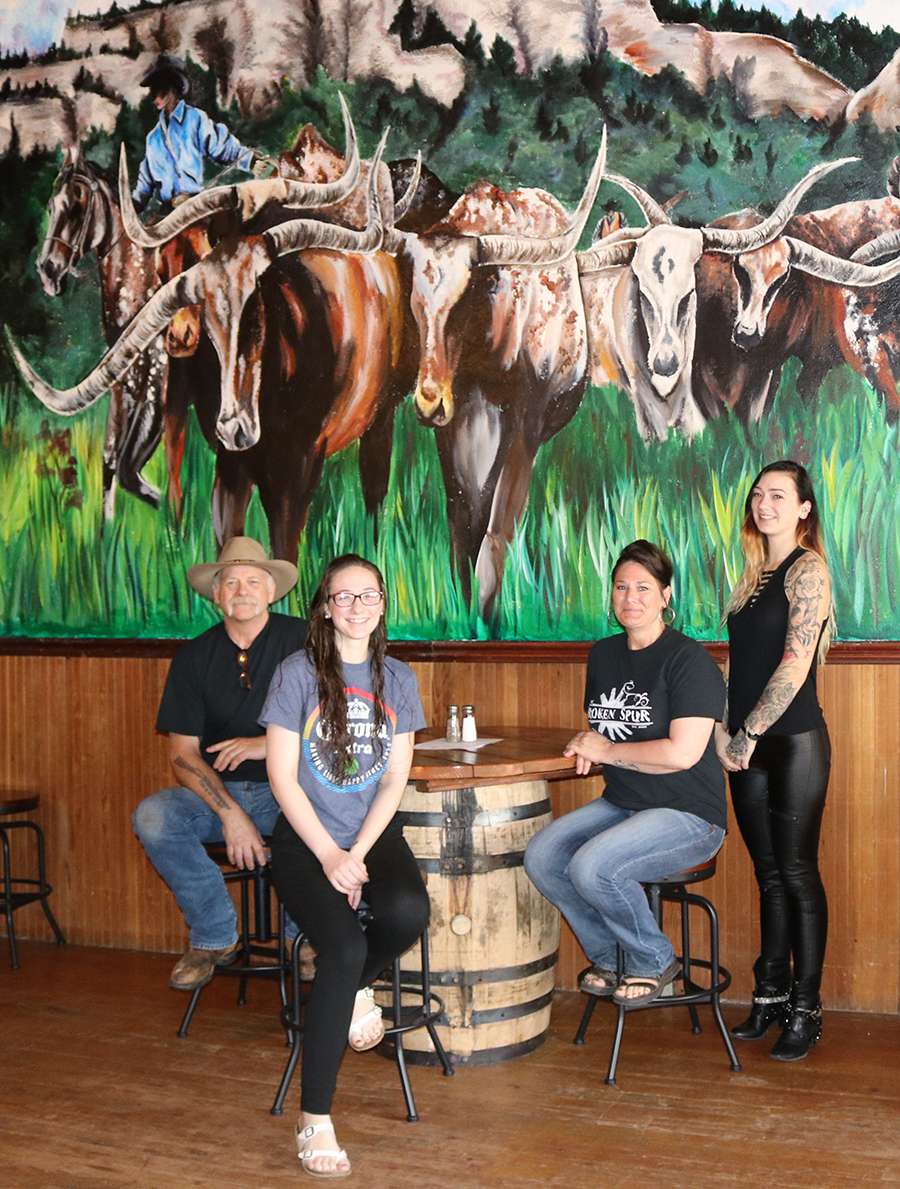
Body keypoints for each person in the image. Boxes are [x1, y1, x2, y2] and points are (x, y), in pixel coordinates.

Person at [261, 553, 429, 1179]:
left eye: (369, 596)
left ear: (383, 604)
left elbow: (393, 783)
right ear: (325, 607)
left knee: (410, 910)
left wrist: (357, 853)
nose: (357, 607)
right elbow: (282, 778)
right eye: (343, 597)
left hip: (367, 834)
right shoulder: (296, 674)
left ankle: (356, 985)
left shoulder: (399, 679)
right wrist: (330, 854)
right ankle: (315, 1118)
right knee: (340, 947)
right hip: (304, 837)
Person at [524, 539, 726, 1008]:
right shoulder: (604, 654)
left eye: (643, 587)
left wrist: (608, 750)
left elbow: (682, 753)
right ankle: (614, 956)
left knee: (594, 866)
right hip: (624, 802)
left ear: (665, 596)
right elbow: (610, 729)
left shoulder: (688, 660)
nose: (630, 598)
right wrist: (589, 745)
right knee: (543, 856)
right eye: (621, 587)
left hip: (688, 812)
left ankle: (654, 960)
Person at [133, 536, 306, 992]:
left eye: (253, 581)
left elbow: (338, 721)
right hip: (218, 795)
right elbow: (182, 753)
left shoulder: (306, 640)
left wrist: (268, 744)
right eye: (231, 582)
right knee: (153, 815)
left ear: (272, 592)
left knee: (313, 822)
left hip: (290, 788)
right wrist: (231, 815)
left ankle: (302, 941)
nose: (242, 590)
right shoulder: (193, 657)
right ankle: (214, 936)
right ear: (216, 594)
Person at [716, 460, 833, 1061]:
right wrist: (722, 726)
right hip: (748, 743)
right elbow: (742, 664)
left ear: (804, 509)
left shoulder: (806, 570)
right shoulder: (752, 575)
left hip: (793, 745)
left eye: (779, 496)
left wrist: (748, 734)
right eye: (758, 494)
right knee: (768, 874)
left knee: (796, 873)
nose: (764, 504)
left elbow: (794, 664)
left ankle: (807, 1008)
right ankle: (770, 994)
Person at [132, 53, 267, 212]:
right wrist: (134, 205)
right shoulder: (153, 138)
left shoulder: (195, 119)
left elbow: (221, 147)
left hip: (195, 208)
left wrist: (250, 161)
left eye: (159, 91)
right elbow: (145, 182)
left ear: (173, 89)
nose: (154, 97)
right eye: (152, 92)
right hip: (166, 214)